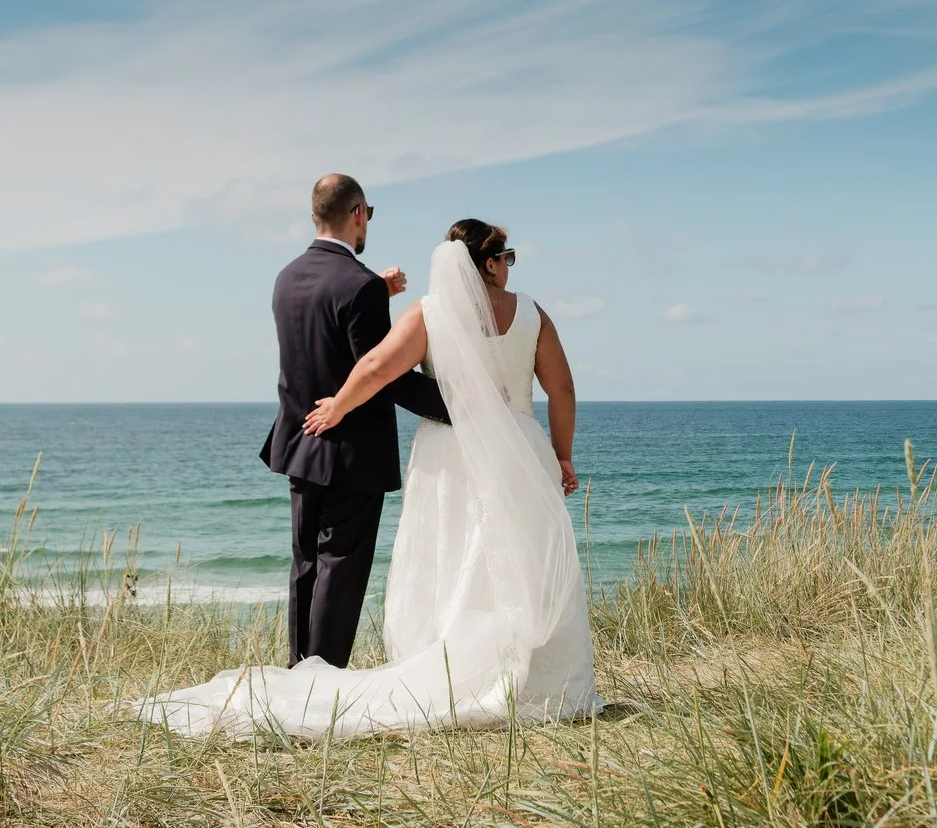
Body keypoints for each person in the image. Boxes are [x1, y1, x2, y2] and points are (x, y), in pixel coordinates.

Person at [137, 216, 596, 739]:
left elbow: (378, 366)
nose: (509, 268)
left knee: (452, 555)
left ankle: (456, 670)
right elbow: (563, 390)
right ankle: (538, 679)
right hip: (521, 449)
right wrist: (562, 456)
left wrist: (339, 404)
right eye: (506, 258)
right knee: (523, 559)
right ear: (489, 264)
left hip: (452, 452)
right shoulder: (531, 313)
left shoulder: (431, 313)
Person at [256, 174, 449, 669]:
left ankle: (298, 673)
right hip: (350, 453)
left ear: (314, 216)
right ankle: (321, 683)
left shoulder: (286, 277)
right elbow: (384, 375)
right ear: (358, 212)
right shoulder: (359, 285)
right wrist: (460, 404)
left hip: (299, 443)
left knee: (306, 565)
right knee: (339, 569)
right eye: (369, 215)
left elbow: (323, 336)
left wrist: (375, 292)